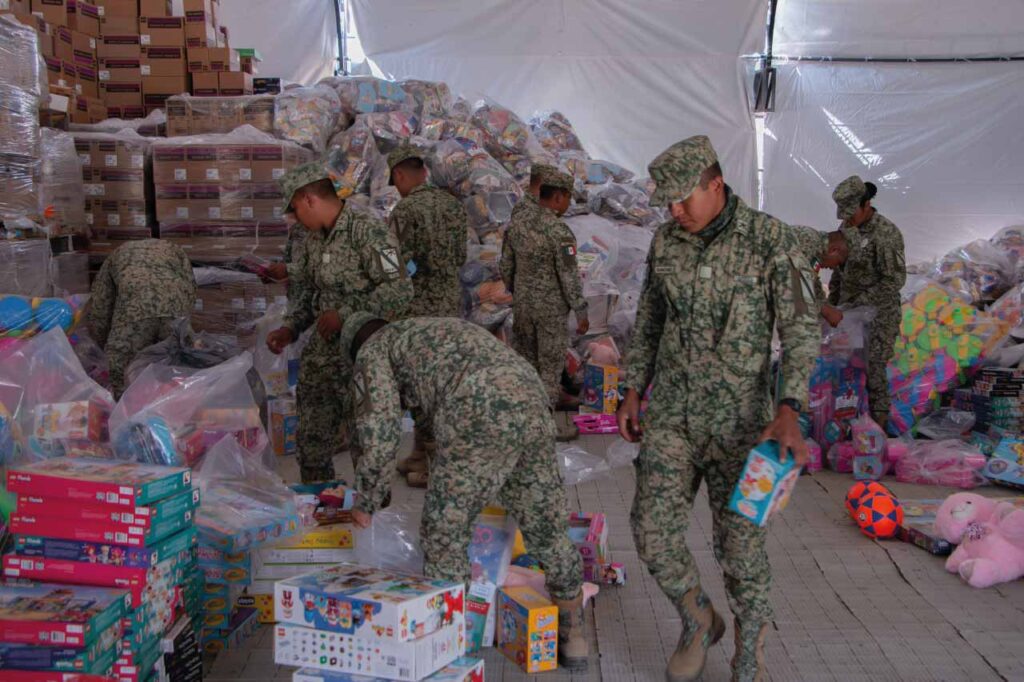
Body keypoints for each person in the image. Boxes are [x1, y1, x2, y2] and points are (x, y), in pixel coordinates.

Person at [616, 135, 819, 682]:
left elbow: (801, 330)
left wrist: (790, 407)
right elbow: (650, 319)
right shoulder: (666, 243)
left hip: (747, 429)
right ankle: (697, 618)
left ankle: (749, 661)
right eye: (668, 202)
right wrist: (633, 387)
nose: (675, 210)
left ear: (716, 184)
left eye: (684, 198)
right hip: (674, 419)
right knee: (650, 533)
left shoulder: (772, 240)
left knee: (741, 552)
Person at [342, 312, 590, 671]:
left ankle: (447, 649)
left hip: (480, 406)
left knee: (445, 532)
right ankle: (573, 632)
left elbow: (379, 436)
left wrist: (366, 501)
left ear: (355, 346)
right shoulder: (424, 330)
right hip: (529, 395)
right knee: (544, 521)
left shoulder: (373, 354)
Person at [265, 162, 412, 484]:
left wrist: (345, 314)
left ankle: (368, 514)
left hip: (364, 349)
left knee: (367, 438)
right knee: (312, 438)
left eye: (294, 210)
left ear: (308, 199)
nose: (294, 219)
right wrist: (290, 328)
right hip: (324, 352)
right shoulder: (310, 236)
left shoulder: (368, 230)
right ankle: (318, 505)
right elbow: (307, 291)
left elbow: (400, 288)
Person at [385, 143, 470, 488]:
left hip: (418, 310)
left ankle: (436, 464)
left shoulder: (406, 211)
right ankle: (421, 452)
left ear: (401, 175)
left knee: (422, 385)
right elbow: (462, 255)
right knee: (441, 382)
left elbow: (394, 263)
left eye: (395, 181)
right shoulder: (454, 206)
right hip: (450, 305)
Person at [500, 167, 589, 441]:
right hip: (550, 313)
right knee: (549, 369)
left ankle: (523, 424)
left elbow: (506, 267)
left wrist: (519, 292)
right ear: (559, 197)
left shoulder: (518, 225)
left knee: (526, 365)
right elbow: (569, 276)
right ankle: (545, 429)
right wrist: (581, 311)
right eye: (568, 199)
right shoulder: (560, 232)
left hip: (523, 308)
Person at [827, 176, 906, 428]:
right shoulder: (847, 227)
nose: (847, 219)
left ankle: (878, 430)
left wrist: (859, 306)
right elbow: (840, 269)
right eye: (844, 214)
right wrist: (832, 304)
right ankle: (848, 426)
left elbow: (893, 280)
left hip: (879, 314)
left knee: (873, 370)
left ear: (867, 204)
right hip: (849, 314)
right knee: (845, 367)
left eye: (852, 213)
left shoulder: (886, 234)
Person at [86, 239, 196, 398]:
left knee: (119, 370)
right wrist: (183, 317)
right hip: (175, 311)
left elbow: (100, 306)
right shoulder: (173, 249)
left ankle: (124, 415)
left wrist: (100, 343)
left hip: (136, 313)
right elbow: (190, 286)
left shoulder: (115, 257)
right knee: (181, 364)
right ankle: (179, 409)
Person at [789, 226, 849, 324]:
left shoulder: (817, 252)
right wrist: (825, 310)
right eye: (838, 262)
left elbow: (812, 285)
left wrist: (827, 306)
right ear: (834, 250)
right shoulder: (809, 242)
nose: (834, 267)